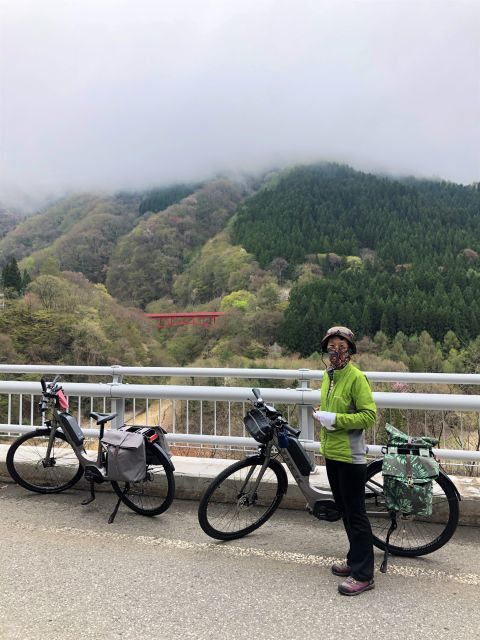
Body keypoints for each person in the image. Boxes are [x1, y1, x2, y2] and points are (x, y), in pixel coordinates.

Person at [313, 326, 376, 596]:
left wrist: (336, 420)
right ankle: (354, 561)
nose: (335, 350)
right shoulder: (328, 376)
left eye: (341, 346)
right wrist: (323, 416)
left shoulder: (356, 378)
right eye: (332, 345)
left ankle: (364, 574)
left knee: (356, 514)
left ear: (349, 350)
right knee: (346, 512)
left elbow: (368, 416)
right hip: (332, 454)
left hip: (350, 457)